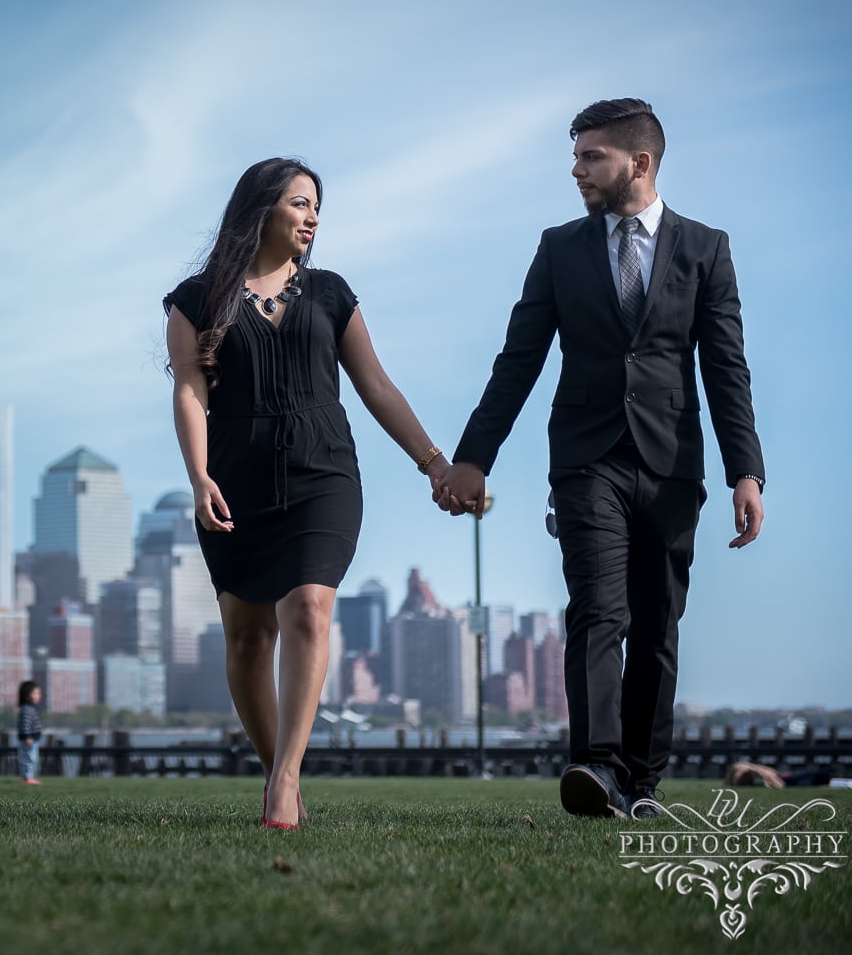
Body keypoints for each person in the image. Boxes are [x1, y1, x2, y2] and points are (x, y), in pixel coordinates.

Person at [438, 100, 766, 821]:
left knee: (655, 623)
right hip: (586, 459)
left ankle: (642, 786)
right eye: (576, 154)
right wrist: (472, 458)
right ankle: (594, 768)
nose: (576, 169)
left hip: (673, 460)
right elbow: (518, 358)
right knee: (597, 610)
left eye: (590, 156)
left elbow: (725, 367)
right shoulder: (559, 248)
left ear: (638, 163)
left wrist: (746, 470)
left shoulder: (704, 248)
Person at [166, 157, 450, 830]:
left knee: (308, 609)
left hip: (323, 474)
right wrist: (198, 475)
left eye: (316, 206)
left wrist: (432, 462)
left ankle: (284, 783)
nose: (312, 217)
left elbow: (375, 385)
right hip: (233, 478)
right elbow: (186, 387)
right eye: (299, 203)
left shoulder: (329, 293)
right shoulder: (195, 298)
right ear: (260, 209)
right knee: (244, 635)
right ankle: (277, 772)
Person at [16, 681, 43, 786]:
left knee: (30, 759)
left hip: (32, 739)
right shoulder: (27, 709)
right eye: (35, 693)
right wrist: (27, 737)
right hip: (29, 740)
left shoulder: (29, 708)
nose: (38, 696)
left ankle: (27, 777)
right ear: (27, 695)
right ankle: (27, 778)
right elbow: (25, 724)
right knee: (29, 759)